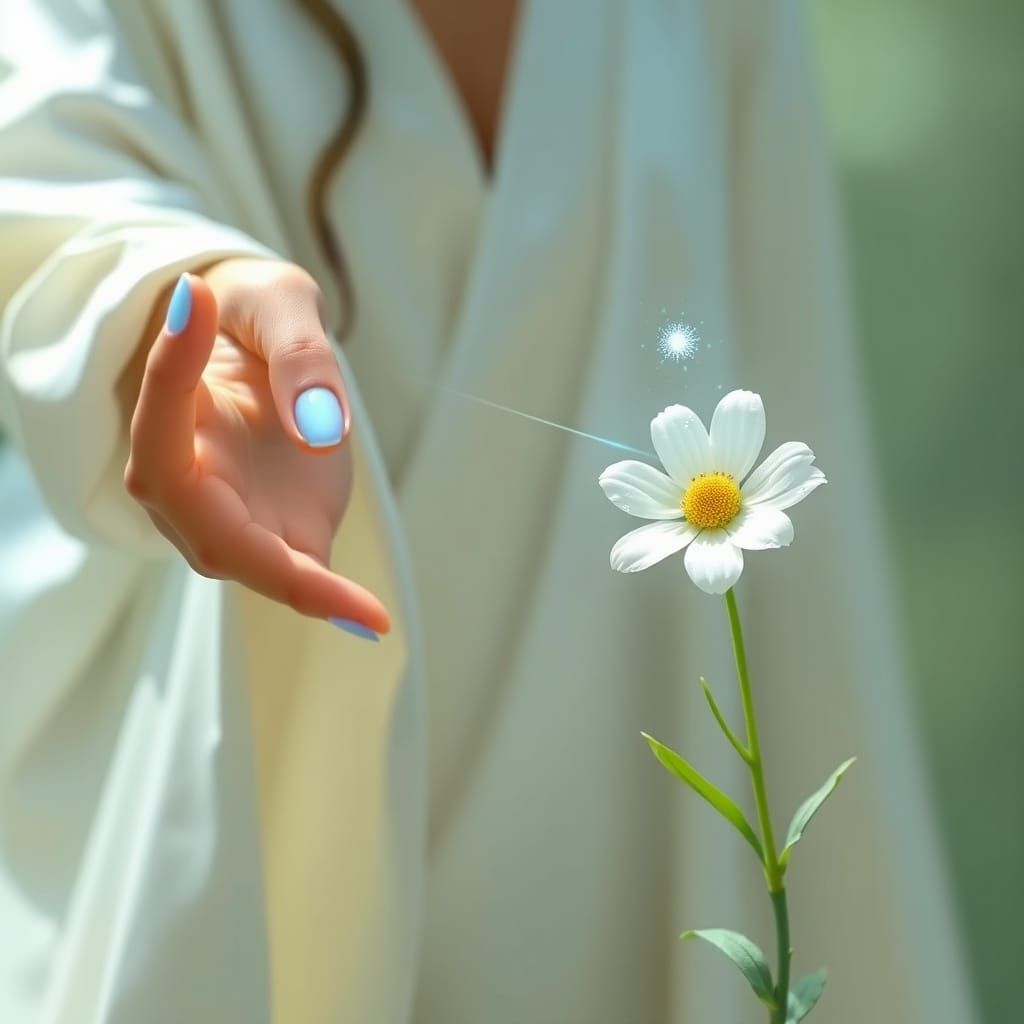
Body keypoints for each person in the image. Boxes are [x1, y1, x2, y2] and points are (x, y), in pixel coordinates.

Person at [0, 1, 976, 1021]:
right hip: (222, 823)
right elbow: (43, 183)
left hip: (612, 847)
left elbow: (792, 414)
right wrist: (180, 321)